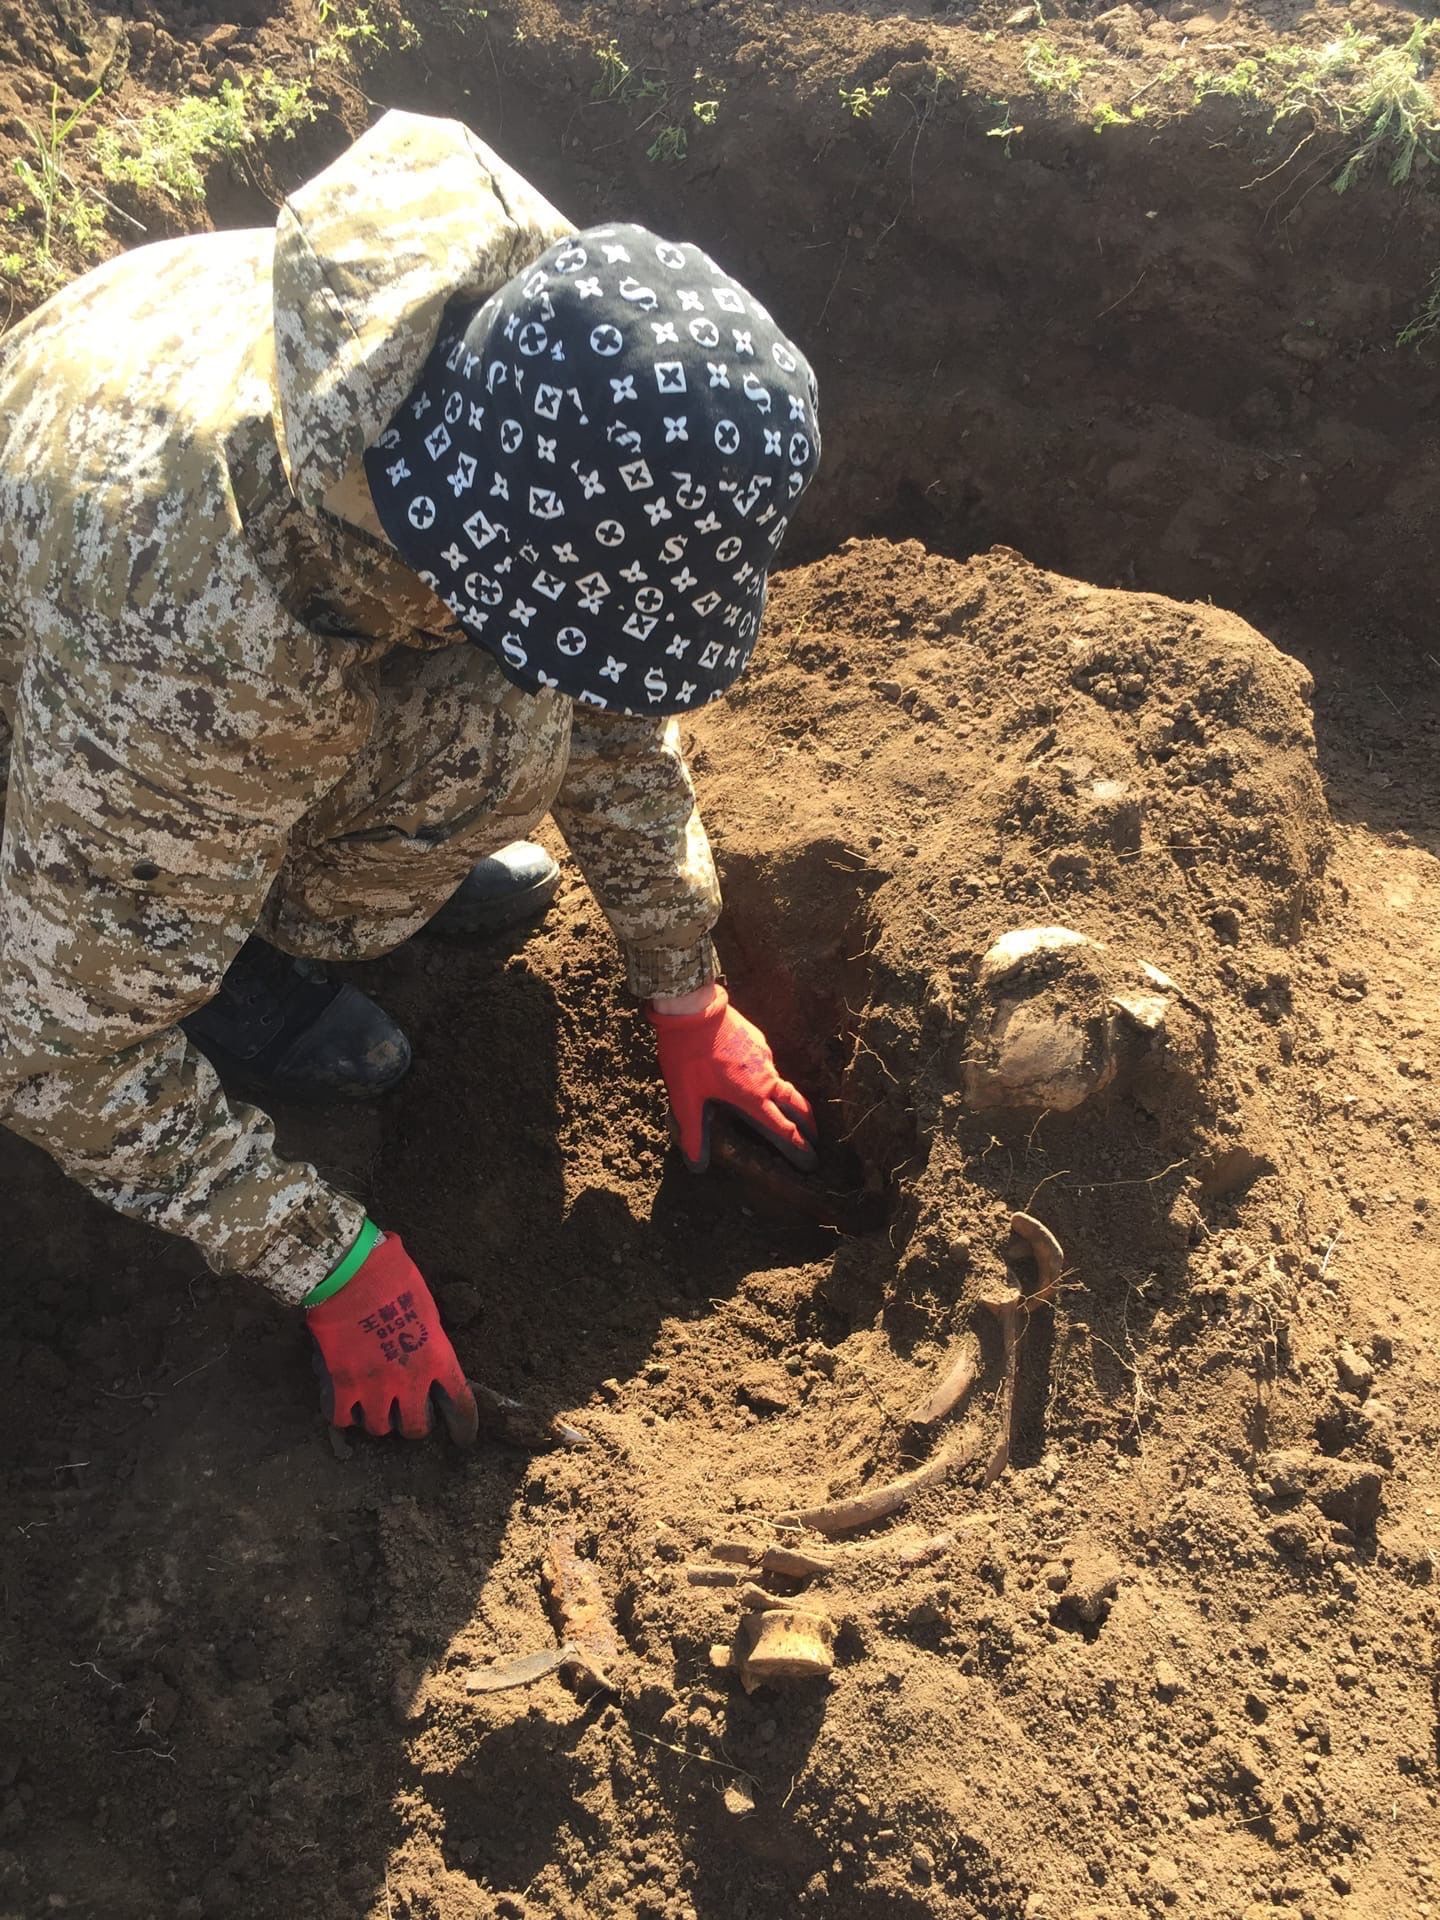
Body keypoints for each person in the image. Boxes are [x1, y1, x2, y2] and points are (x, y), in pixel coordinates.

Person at [0, 110, 823, 1444]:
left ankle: (334, 876)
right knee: (451, 760)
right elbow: (48, 1054)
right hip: (70, 730)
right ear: (471, 564)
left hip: (221, 626)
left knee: (505, 727)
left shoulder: (537, 364)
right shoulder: (201, 648)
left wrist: (687, 980)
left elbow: (601, 700)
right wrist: (328, 1262)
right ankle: (231, 966)